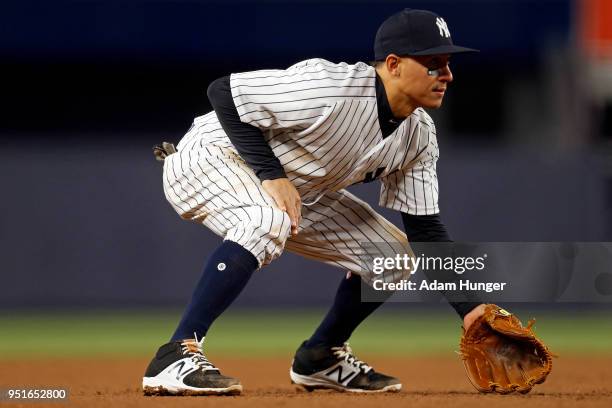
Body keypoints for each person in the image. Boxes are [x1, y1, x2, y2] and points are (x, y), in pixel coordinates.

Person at [143, 8, 486, 396]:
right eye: (432, 63)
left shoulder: (419, 137)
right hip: (210, 156)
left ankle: (321, 357)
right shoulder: (331, 87)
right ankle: (175, 353)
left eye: (447, 63)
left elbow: (426, 231)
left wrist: (472, 311)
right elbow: (224, 91)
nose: (447, 74)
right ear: (392, 64)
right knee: (265, 220)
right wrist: (272, 175)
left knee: (392, 256)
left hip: (295, 189)